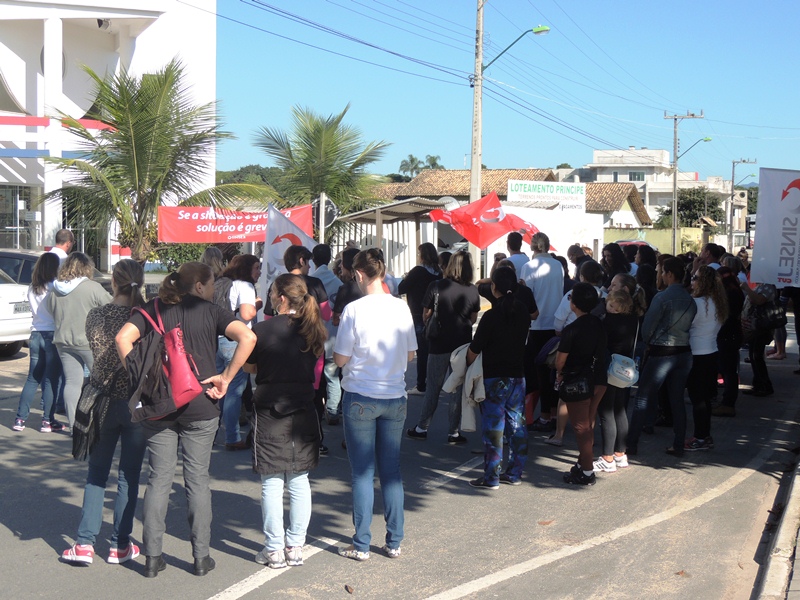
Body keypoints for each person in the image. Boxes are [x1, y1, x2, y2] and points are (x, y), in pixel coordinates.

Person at [115, 262, 256, 578]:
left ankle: (152, 558)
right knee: (197, 480)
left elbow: (123, 338)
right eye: (211, 284)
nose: (213, 290)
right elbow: (248, 337)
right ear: (200, 286)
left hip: (159, 406)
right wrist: (226, 376)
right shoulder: (212, 311)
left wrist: (140, 379)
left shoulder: (154, 308)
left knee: (159, 478)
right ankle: (201, 558)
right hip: (201, 403)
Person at [61, 260, 147, 566]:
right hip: (134, 403)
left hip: (101, 401)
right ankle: (120, 545)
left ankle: (84, 543)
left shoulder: (96, 316)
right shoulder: (145, 318)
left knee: (97, 473)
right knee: (129, 476)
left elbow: (97, 352)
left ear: (113, 282)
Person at [334, 248, 417, 561]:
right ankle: (394, 540)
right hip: (394, 395)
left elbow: (340, 358)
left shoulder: (354, 310)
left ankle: (361, 544)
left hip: (361, 395)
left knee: (362, 474)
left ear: (359, 274)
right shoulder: (401, 308)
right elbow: (410, 354)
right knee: (391, 471)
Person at [246, 274, 325, 569]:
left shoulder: (262, 329)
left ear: (280, 297)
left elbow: (250, 367)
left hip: (270, 408)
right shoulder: (313, 328)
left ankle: (275, 549)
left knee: (272, 481)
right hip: (303, 406)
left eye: (271, 292)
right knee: (299, 480)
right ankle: (295, 546)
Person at [466, 267, 530, 489]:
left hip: (493, 376)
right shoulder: (522, 311)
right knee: (517, 425)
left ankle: (491, 476)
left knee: (494, 429)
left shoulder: (491, 316)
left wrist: (465, 363)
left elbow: (475, 348)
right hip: (517, 375)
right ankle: (515, 472)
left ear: (494, 287)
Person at [407, 250, 480, 444]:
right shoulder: (472, 290)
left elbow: (426, 314)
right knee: (457, 389)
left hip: (438, 343)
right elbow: (473, 318)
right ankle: (453, 432)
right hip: (462, 345)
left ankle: (422, 427)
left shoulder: (436, 286)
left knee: (433, 387)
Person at [627, 257, 696, 457]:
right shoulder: (690, 299)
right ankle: (679, 444)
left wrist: (649, 342)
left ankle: (631, 444)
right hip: (683, 352)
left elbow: (648, 328)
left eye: (663, 272)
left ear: (669, 274)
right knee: (677, 400)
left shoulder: (662, 298)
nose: (661, 275)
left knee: (642, 397)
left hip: (662, 352)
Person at [47, 252, 112, 428]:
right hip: (89, 342)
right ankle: (103, 424)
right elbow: (111, 306)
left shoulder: (55, 288)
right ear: (87, 267)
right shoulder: (92, 287)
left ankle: (74, 426)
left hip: (63, 341)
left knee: (72, 383)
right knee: (101, 382)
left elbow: (50, 309)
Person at [554, 283, 607, 486]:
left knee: (581, 428)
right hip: (599, 378)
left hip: (578, 382)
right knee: (588, 424)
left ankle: (586, 471)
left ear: (573, 304)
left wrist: (559, 373)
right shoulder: (599, 323)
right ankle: (582, 463)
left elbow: (560, 361)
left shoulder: (572, 330)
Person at [13, 252, 63, 433]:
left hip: (35, 333)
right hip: (52, 334)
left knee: (32, 378)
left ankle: (20, 419)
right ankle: (47, 421)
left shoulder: (32, 287)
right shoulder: (55, 287)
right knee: (51, 380)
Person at [520, 232, 564, 433]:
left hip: (536, 323)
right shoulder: (558, 265)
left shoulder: (529, 267)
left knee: (540, 373)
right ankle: (553, 413)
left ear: (532, 247)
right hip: (555, 322)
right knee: (552, 372)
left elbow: (526, 295)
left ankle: (545, 415)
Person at [217, 254, 262, 450]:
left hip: (218, 339)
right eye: (256, 268)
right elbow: (246, 313)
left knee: (218, 386)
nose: (259, 272)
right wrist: (257, 304)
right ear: (246, 269)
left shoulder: (224, 283)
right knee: (234, 390)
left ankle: (212, 433)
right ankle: (233, 437)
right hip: (235, 341)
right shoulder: (245, 286)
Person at [593, 290, 638, 473]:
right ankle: (620, 453)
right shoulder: (633, 319)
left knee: (606, 412)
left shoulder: (606, 321)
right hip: (625, 368)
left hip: (609, 367)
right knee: (620, 410)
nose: (609, 307)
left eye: (611, 305)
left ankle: (607, 457)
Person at [684, 266, 728, 451]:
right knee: (705, 399)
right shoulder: (718, 303)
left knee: (698, 399)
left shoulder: (696, 303)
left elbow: (685, 325)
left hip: (697, 354)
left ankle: (700, 437)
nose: (692, 280)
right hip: (711, 352)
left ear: (703, 282)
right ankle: (704, 435)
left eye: (695, 277)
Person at [398, 243, 443, 396]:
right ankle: (433, 383)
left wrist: (406, 277)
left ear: (422, 255)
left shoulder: (418, 271)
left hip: (418, 312)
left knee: (422, 350)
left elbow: (401, 288)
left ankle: (421, 385)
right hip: (435, 314)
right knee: (432, 351)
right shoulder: (439, 272)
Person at [311, 244, 345, 424]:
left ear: (313, 259)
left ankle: (315, 408)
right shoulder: (338, 283)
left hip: (315, 334)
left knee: (314, 374)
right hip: (333, 333)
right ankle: (332, 410)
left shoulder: (310, 280)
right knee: (332, 375)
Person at [712, 267, 746, 417]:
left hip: (727, 335)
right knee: (729, 370)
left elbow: (725, 316)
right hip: (733, 334)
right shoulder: (736, 291)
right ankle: (727, 402)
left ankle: (728, 403)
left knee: (728, 370)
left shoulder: (728, 294)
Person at [741, 279, 778, 397]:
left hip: (762, 326)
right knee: (753, 356)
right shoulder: (761, 286)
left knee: (757, 356)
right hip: (755, 326)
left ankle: (765, 386)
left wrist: (747, 288)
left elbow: (758, 300)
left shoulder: (768, 287)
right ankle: (758, 384)